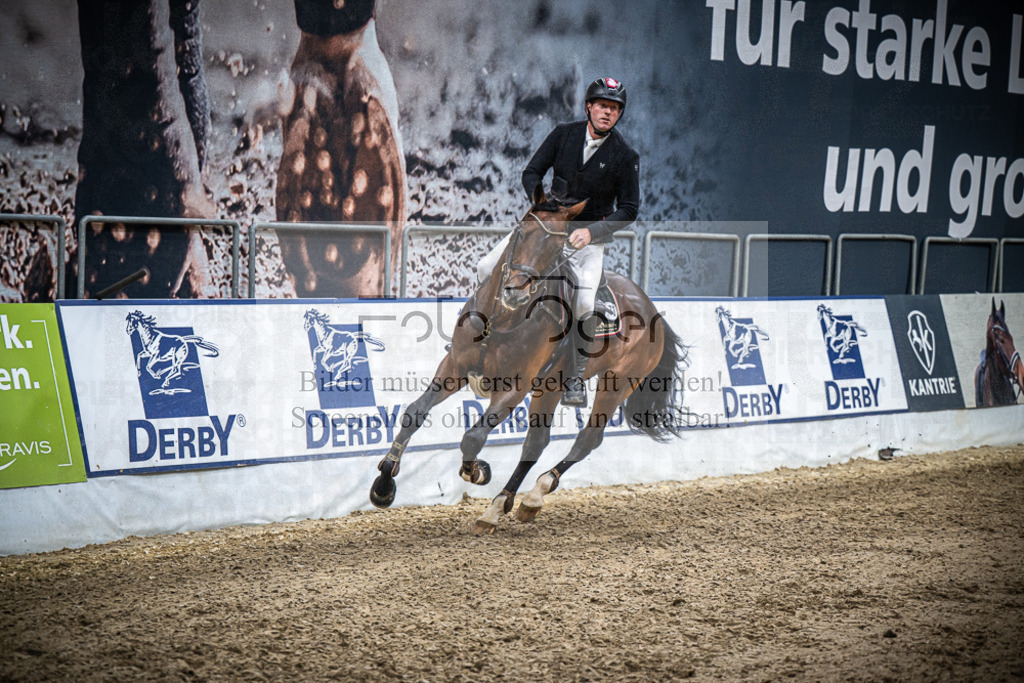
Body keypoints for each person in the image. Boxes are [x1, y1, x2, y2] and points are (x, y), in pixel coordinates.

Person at [478, 77, 640, 407]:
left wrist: (593, 232)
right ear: (588, 107)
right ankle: (482, 338)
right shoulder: (563, 133)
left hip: (586, 240)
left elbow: (629, 209)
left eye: (614, 109)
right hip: (547, 226)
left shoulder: (625, 155)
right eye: (602, 106)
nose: (607, 113)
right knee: (485, 267)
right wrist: (542, 207)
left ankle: (575, 379)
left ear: (619, 114)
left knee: (583, 304)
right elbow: (531, 173)